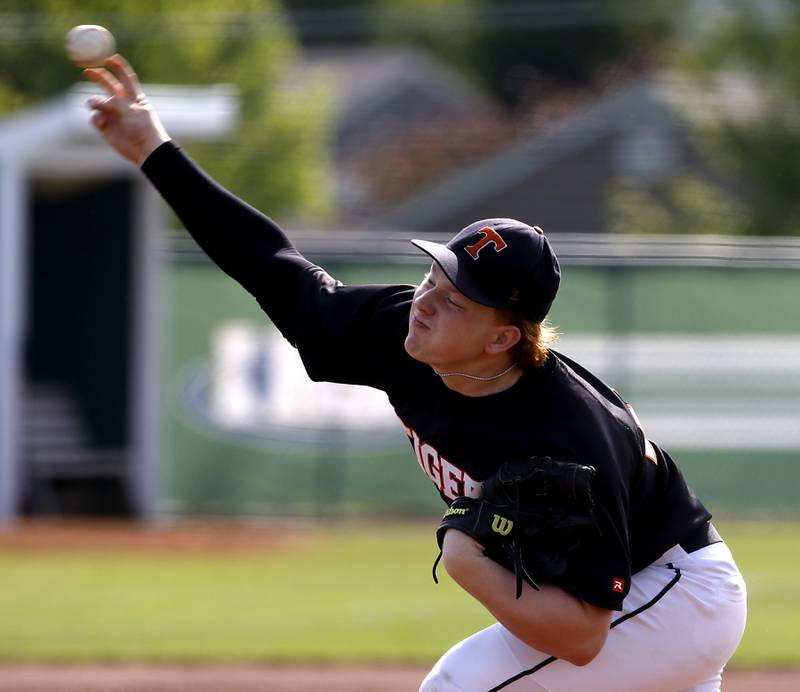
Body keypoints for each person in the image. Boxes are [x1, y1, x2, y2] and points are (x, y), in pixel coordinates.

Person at [84, 55, 747, 691]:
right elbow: (270, 262)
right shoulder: (399, 330)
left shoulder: (568, 433)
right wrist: (154, 150)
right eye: (434, 273)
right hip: (650, 599)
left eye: (454, 299)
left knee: (461, 684)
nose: (426, 301)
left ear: (503, 338)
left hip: (670, 592)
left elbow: (581, 638)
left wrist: (464, 561)